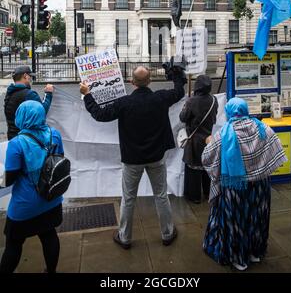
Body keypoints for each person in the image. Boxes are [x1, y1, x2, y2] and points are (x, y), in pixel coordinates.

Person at [80, 65, 186, 249]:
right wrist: (175, 73)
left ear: (132, 82)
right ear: (150, 81)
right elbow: (179, 91)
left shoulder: (124, 103)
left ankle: (125, 237)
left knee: (128, 198)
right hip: (156, 157)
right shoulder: (160, 98)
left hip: (132, 160)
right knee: (161, 195)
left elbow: (99, 114)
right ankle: (167, 234)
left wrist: (88, 94)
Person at [202, 97, 287, 271]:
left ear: (229, 112)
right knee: (257, 218)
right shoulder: (262, 128)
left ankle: (238, 258)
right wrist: (259, 167)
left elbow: (207, 157)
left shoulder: (224, 133)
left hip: (235, 187)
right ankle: (255, 252)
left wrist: (208, 142)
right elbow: (276, 149)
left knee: (236, 221)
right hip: (260, 186)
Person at [0, 101, 64, 273]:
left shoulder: (17, 143)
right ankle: (51, 271)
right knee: (49, 235)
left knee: (13, 244)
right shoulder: (55, 134)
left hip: (25, 205)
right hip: (51, 198)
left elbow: (9, 179)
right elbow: (59, 160)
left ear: (21, 117)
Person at [179, 75, 218, 203]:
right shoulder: (214, 100)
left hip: (194, 139)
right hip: (208, 138)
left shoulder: (191, 101)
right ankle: (208, 193)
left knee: (193, 169)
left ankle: (194, 196)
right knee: (206, 167)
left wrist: (187, 103)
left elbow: (183, 117)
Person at [4, 65, 53, 140]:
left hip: (12, 137)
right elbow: (42, 111)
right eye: (30, 76)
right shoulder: (29, 94)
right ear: (25, 76)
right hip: (27, 139)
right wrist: (48, 94)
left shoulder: (9, 93)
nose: (31, 79)